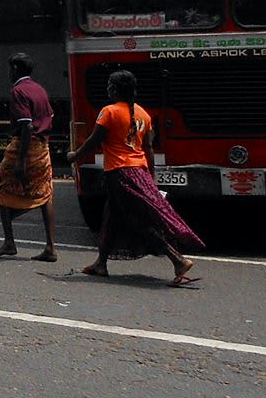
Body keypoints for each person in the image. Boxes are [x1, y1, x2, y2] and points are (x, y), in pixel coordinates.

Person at [66, 69, 203, 286]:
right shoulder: (143, 114)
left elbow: (94, 140)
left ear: (115, 89)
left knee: (139, 220)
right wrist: (151, 175)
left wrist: (75, 155)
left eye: (110, 86)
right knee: (110, 215)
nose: (108, 89)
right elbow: (148, 148)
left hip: (120, 172)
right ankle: (101, 263)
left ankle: (178, 259)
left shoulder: (109, 112)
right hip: (138, 171)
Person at [0, 53, 57, 261]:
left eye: (11, 69)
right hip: (43, 146)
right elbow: (50, 116)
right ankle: (51, 247)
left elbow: (26, 124)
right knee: (45, 193)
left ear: (16, 69)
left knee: (1, 189)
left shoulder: (18, 91)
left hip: (24, 145)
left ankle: (9, 241)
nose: (9, 73)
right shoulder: (40, 89)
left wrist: (21, 159)